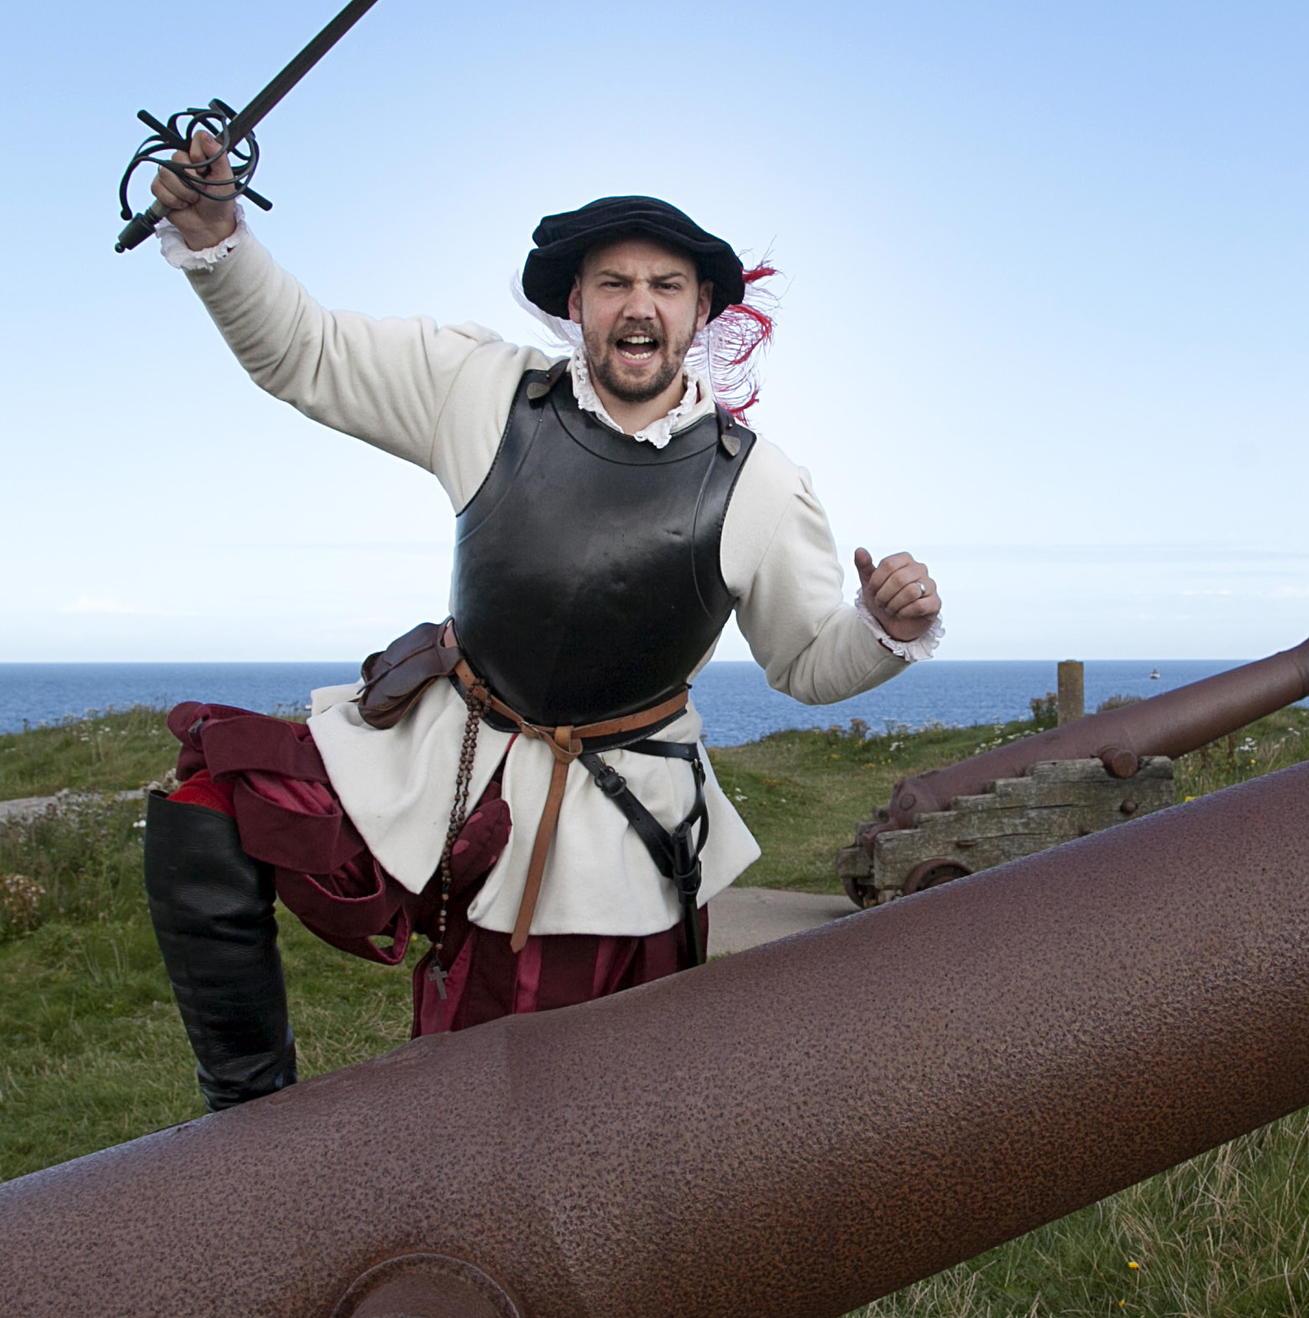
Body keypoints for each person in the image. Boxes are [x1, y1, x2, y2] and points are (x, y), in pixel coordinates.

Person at [137, 137, 943, 1109]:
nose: (638, 303)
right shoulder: (481, 392)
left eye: (665, 285)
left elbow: (809, 661)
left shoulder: (761, 484)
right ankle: (248, 1122)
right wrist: (218, 235)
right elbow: (303, 353)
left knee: (559, 1103)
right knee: (210, 802)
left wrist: (882, 627)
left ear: (700, 313)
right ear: (576, 305)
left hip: (616, 821)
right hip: (447, 755)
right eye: (612, 283)